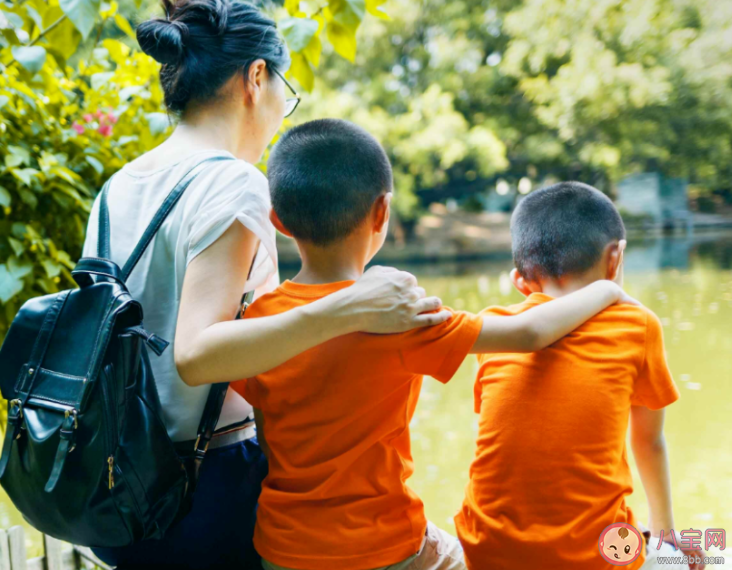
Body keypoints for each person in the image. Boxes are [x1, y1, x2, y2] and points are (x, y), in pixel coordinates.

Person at [83, 2, 453, 568]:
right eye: (286, 90)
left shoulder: (119, 185)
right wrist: (352, 305)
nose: (283, 111)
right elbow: (198, 354)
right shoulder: (233, 182)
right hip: (205, 490)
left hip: (115, 485)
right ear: (257, 76)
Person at [231, 120, 635, 570]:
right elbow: (530, 333)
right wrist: (608, 291)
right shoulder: (400, 316)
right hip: (385, 544)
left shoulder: (260, 322)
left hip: (284, 548)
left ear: (279, 222)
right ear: (382, 212)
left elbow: (268, 439)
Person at [455, 182, 706, 570]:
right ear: (615, 258)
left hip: (486, 550)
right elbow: (649, 442)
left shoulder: (495, 328)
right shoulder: (636, 325)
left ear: (520, 282)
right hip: (593, 557)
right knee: (690, 557)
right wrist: (665, 533)